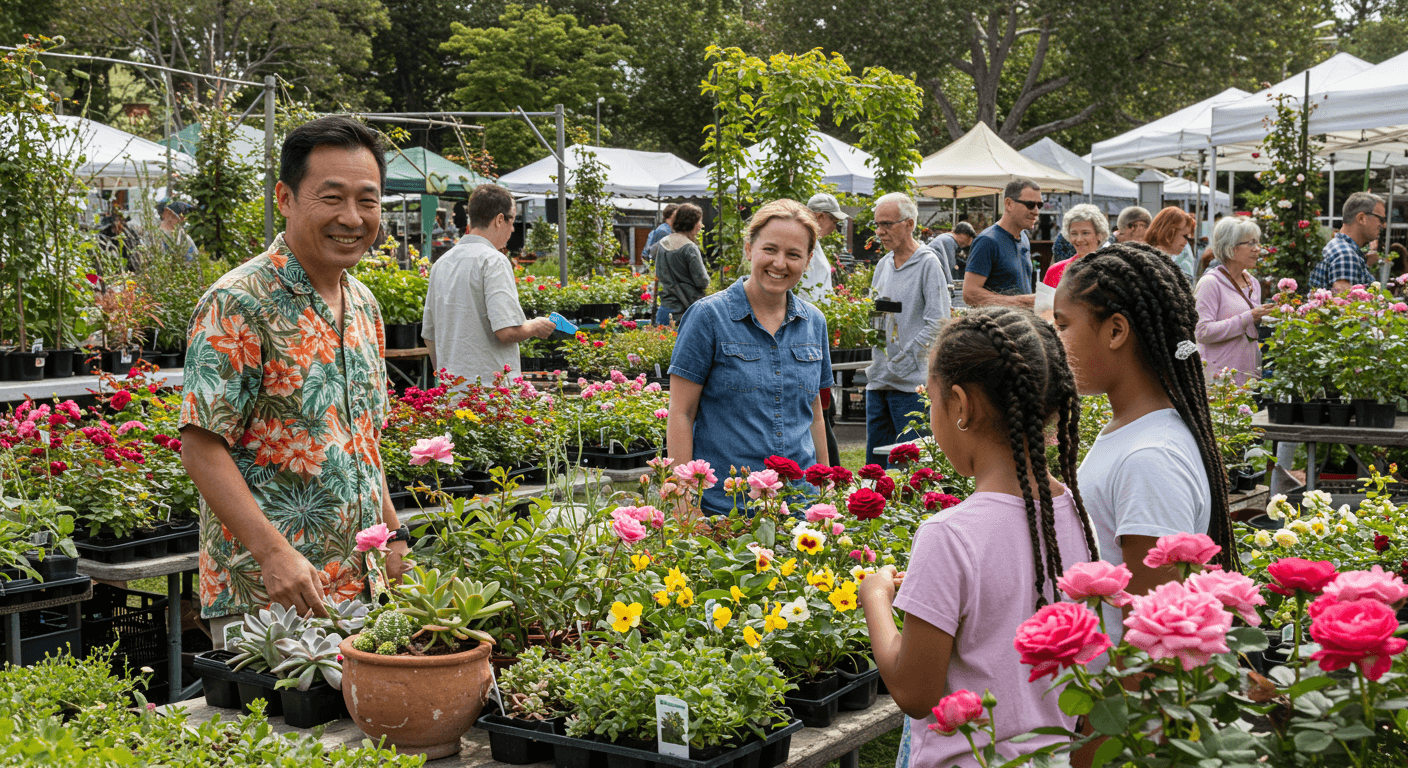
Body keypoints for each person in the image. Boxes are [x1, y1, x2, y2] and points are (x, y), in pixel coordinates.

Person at [179, 116, 412, 642]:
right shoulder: (239, 301)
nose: (351, 217)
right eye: (331, 198)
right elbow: (200, 445)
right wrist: (273, 553)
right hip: (272, 595)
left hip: (361, 588)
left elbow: (360, 445)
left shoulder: (363, 305)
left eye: (367, 200)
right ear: (285, 198)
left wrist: (392, 534)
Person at [858, 307, 1099, 768]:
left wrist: (874, 595)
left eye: (931, 403)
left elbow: (914, 692)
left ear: (961, 405)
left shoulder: (948, 535)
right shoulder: (1073, 514)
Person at [1053, 242, 1237, 649]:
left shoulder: (1149, 459)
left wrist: (1101, 715)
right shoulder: (1133, 432)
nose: (1054, 339)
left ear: (1116, 331)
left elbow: (1152, 640)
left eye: (1063, 325)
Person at [666, 199, 831, 517]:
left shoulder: (814, 323)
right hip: (727, 508)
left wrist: (825, 491)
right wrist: (684, 503)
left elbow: (815, 416)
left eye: (794, 254)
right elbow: (681, 413)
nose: (780, 263)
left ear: (808, 260)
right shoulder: (708, 318)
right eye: (770, 249)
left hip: (801, 507)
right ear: (749, 249)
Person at [422, 184, 555, 383]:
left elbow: (429, 336)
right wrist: (536, 326)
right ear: (500, 220)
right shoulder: (493, 260)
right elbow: (506, 331)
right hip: (490, 395)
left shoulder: (441, 263)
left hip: (451, 394)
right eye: (513, 220)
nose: (513, 228)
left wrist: (446, 379)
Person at [866, 192, 951, 468]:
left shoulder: (928, 263)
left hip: (911, 387)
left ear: (909, 224)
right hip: (879, 383)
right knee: (876, 469)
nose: (880, 231)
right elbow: (877, 316)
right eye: (877, 224)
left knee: (909, 471)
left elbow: (938, 322)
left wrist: (902, 361)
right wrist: (878, 354)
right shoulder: (883, 265)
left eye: (887, 224)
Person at [1193, 216, 1274, 385]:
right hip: (1220, 380)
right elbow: (1202, 332)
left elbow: (1250, 326)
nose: (1257, 249)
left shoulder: (1252, 282)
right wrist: (1248, 317)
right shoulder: (1211, 283)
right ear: (1230, 247)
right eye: (1250, 243)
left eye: (1257, 243)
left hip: (1247, 377)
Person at [963, 178, 1040, 308]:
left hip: (1021, 325)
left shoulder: (1024, 237)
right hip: (996, 326)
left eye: (1040, 205)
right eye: (1030, 204)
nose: (1036, 211)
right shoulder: (987, 241)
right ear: (1009, 204)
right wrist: (1023, 302)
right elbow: (970, 294)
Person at [1310, 192, 1386, 293]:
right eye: (1381, 219)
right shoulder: (1346, 255)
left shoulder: (1339, 246)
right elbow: (1345, 305)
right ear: (1361, 218)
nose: (1383, 225)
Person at [652, 203, 708, 326]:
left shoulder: (662, 244)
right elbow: (702, 281)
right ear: (691, 223)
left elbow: (658, 272)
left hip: (665, 309)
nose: (700, 226)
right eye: (699, 221)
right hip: (686, 310)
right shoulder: (689, 247)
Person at [1042, 203, 1109, 288]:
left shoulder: (1109, 269)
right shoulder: (1055, 270)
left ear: (1099, 235)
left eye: (1085, 233)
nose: (1079, 239)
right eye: (1074, 234)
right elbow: (1044, 301)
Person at [800, 192, 843, 303]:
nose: (834, 228)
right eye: (834, 222)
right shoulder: (801, 243)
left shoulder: (814, 241)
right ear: (820, 217)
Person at [1145, 206, 1197, 283]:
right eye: (1185, 236)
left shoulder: (1149, 255)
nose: (1186, 241)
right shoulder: (1151, 261)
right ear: (1169, 233)